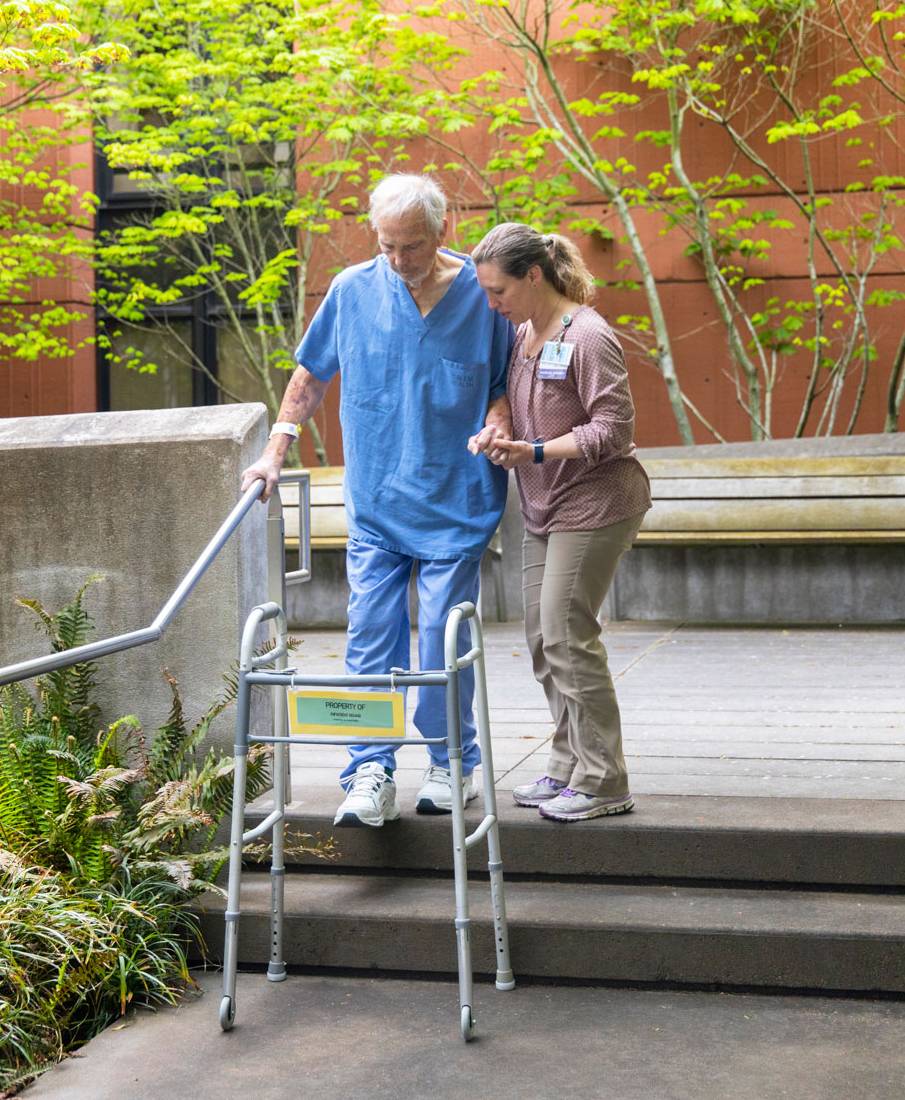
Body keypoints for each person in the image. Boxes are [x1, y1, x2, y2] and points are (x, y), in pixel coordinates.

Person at [241, 175, 513, 828]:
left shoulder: (484, 295)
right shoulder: (352, 290)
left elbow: (505, 380)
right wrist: (275, 449)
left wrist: (501, 417)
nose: (397, 261)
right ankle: (371, 769)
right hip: (377, 504)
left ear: (443, 232)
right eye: (386, 245)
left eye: (411, 247)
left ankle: (453, 763)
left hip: (458, 498)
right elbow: (309, 377)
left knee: (443, 643)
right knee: (368, 640)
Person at [468, 222, 651, 822]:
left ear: (534, 275)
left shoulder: (589, 335)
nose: (491, 304)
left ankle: (605, 780)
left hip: (594, 502)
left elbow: (613, 430)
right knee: (543, 641)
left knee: (568, 634)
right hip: (543, 505)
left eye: (498, 291)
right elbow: (524, 408)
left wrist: (537, 452)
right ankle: (572, 761)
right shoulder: (524, 332)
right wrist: (501, 430)